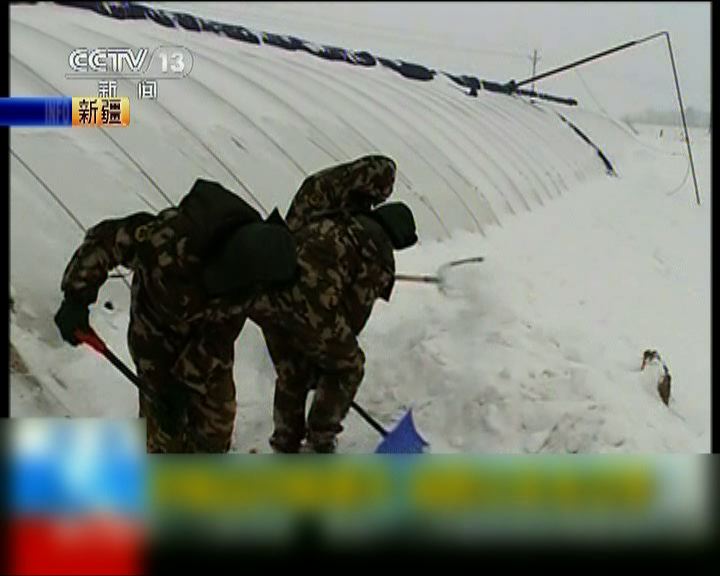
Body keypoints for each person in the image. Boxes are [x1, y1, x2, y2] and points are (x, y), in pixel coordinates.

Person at [54, 179, 297, 453]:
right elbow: (107, 240)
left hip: (206, 341)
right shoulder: (169, 242)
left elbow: (219, 333)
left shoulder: (256, 275)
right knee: (164, 430)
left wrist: (187, 379)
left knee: (216, 425)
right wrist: (76, 297)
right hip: (155, 332)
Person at [249, 155, 418, 453]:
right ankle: (320, 440)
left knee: (292, 371)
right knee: (348, 366)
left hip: (268, 296)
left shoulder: (333, 213)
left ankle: (285, 443)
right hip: (310, 306)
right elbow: (352, 314)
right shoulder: (377, 252)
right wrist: (331, 353)